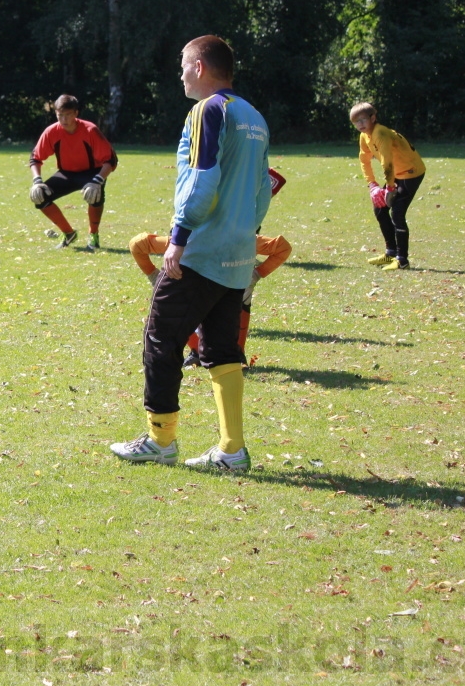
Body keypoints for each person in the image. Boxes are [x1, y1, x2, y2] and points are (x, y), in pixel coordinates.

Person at [110, 35, 271, 471]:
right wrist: (243, 234)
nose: (179, 73)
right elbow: (262, 190)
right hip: (237, 254)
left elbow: (201, 181)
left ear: (199, 67)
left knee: (160, 339)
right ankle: (232, 450)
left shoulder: (208, 109)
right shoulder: (254, 115)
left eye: (183, 64)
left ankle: (161, 440)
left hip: (200, 252)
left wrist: (178, 239)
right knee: (221, 351)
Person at [129, 230, 291, 367]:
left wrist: (256, 275)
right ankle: (198, 352)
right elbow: (138, 244)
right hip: (194, 288)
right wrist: (154, 276)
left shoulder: (240, 239)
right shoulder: (186, 241)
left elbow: (282, 248)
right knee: (177, 304)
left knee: (236, 304)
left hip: (230, 290)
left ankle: (235, 354)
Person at [28, 94, 118, 250]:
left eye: (68, 115)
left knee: (95, 196)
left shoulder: (90, 130)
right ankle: (69, 234)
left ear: (76, 113)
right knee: (40, 197)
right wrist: (37, 181)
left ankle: (93, 236)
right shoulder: (51, 132)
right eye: (60, 115)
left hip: (92, 173)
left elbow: (110, 160)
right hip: (66, 173)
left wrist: (98, 181)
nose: (64, 119)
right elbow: (35, 158)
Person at [350, 102, 425, 271]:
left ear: (373, 118)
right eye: (356, 122)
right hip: (397, 174)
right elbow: (364, 160)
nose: (360, 124)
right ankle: (390, 253)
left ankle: (402, 260)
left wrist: (389, 188)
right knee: (380, 209)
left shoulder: (380, 133)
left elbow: (387, 162)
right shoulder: (364, 136)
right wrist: (372, 185)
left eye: (363, 120)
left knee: (397, 213)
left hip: (411, 172)